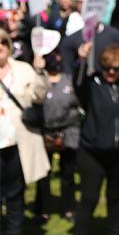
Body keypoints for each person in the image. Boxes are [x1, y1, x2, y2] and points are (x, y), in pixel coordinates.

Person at [73, 44, 119, 235]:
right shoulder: (92, 85)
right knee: (89, 197)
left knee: (115, 197)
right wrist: (81, 60)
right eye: (107, 68)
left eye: (116, 68)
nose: (111, 72)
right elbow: (78, 82)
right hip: (92, 152)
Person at [0, 28, 50, 235]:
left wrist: (39, 72)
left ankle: (14, 231)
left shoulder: (22, 69)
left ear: (9, 46)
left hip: (16, 142)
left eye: (3, 42)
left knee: (15, 192)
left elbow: (39, 96)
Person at [34, 50, 81, 224]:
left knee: (67, 173)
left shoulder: (69, 81)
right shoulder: (40, 80)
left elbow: (77, 105)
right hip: (45, 132)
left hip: (67, 132)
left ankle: (69, 207)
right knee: (43, 174)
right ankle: (43, 209)